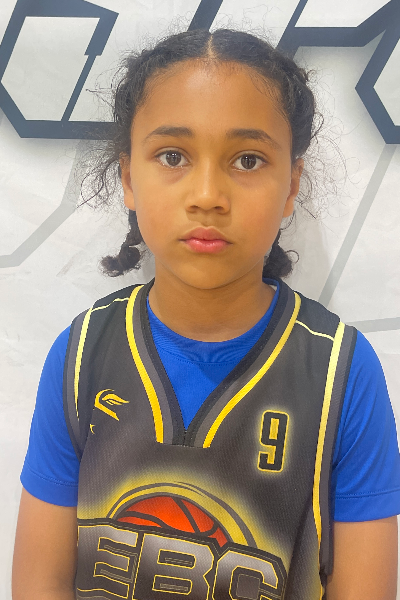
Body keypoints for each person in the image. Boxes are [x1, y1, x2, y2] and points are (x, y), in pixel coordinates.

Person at [12, 29, 400, 600]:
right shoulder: (82, 353)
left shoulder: (341, 372)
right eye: (173, 156)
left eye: (247, 159)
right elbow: (39, 581)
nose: (208, 194)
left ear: (291, 185)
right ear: (128, 178)